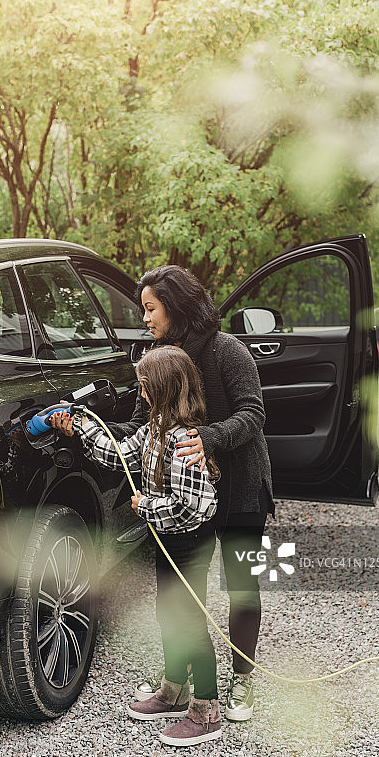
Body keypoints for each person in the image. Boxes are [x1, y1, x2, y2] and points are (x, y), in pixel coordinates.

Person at [109, 265, 274, 722]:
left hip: (242, 492)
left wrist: (209, 437)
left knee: (243, 587)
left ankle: (242, 679)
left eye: (150, 308)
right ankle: (177, 681)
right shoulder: (160, 358)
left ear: (175, 308)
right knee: (180, 594)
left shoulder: (228, 352)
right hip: (186, 497)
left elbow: (254, 414)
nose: (145, 318)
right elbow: (147, 423)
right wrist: (97, 430)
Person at [51, 345, 223, 746]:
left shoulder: (182, 442)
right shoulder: (156, 427)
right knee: (168, 614)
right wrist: (80, 428)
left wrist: (147, 505)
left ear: (162, 390)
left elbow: (195, 507)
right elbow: (118, 455)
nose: (140, 395)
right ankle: (175, 689)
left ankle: (206, 711)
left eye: (145, 388)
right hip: (169, 539)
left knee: (191, 624)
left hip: (189, 544)